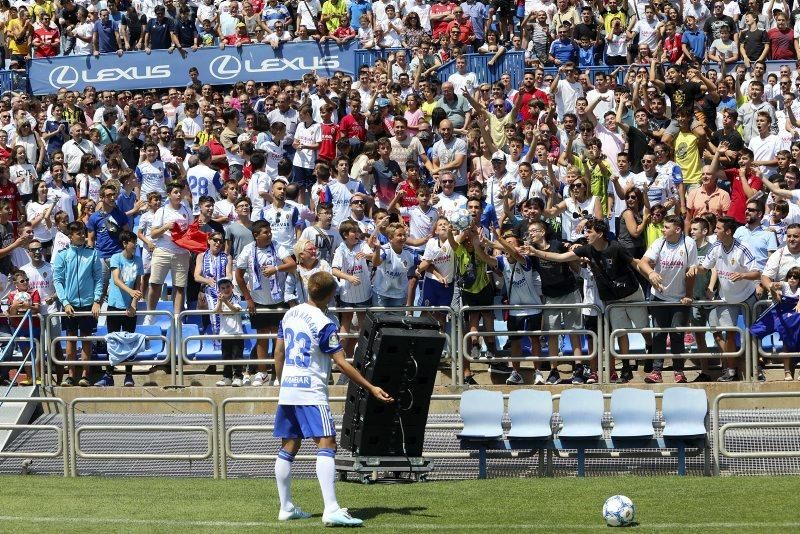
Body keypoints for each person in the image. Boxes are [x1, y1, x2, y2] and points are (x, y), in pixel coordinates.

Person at [273, 271, 392, 526]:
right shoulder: (324, 322)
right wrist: (370, 386)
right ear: (330, 295)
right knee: (327, 444)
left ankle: (286, 506)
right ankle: (332, 509)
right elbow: (340, 363)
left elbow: (279, 351)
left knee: (288, 447)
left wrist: (282, 382)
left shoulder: (289, 314)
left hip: (288, 389)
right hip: (311, 390)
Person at [527, 218, 647, 383]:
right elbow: (564, 258)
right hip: (591, 308)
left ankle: (615, 369)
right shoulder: (584, 267)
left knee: (615, 336)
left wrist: (651, 274)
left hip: (612, 301)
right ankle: (593, 371)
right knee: (592, 340)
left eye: (589, 232)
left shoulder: (612, 249)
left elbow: (635, 263)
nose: (587, 235)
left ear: (600, 234)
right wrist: (539, 252)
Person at [689, 216, 761, 382]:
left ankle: (757, 369)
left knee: (753, 333)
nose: (715, 231)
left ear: (728, 231)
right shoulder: (716, 247)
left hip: (747, 297)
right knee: (729, 334)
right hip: (726, 298)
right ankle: (731, 370)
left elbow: (757, 273)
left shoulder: (743, 248)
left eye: (719, 228)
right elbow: (704, 268)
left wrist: (743, 275)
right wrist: (695, 269)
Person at [235, 219, 296, 387]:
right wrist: (248, 298)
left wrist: (275, 269)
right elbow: (238, 276)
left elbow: (292, 264)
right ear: (256, 235)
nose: (269, 235)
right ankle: (262, 373)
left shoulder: (278, 245)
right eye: (265, 232)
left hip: (279, 300)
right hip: (258, 301)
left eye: (270, 231)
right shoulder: (248, 250)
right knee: (262, 337)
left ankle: (278, 372)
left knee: (279, 338)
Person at [638, 214, 698, 384]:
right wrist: (651, 273)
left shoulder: (688, 244)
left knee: (677, 334)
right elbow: (643, 262)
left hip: (680, 298)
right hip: (659, 296)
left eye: (666, 227)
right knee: (658, 334)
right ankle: (656, 371)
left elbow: (691, 271)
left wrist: (688, 295)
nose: (663, 230)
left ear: (677, 229)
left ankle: (679, 371)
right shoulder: (659, 243)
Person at [52, 221, 102, 387]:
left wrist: (96, 301)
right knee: (71, 340)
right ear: (71, 236)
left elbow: (98, 278)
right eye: (78, 233)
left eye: (83, 232)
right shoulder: (62, 255)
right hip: (70, 304)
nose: (82, 235)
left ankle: (86, 375)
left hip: (88, 303)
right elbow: (58, 281)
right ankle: (71, 375)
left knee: (87, 339)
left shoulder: (93, 254)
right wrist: (65, 302)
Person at [94, 230, 142, 387]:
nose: (135, 245)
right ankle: (109, 374)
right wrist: (131, 292)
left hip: (130, 308)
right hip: (115, 305)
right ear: (125, 244)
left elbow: (138, 283)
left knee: (129, 341)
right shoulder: (116, 258)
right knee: (113, 340)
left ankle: (129, 375)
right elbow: (116, 279)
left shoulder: (138, 260)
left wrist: (134, 304)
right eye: (133, 242)